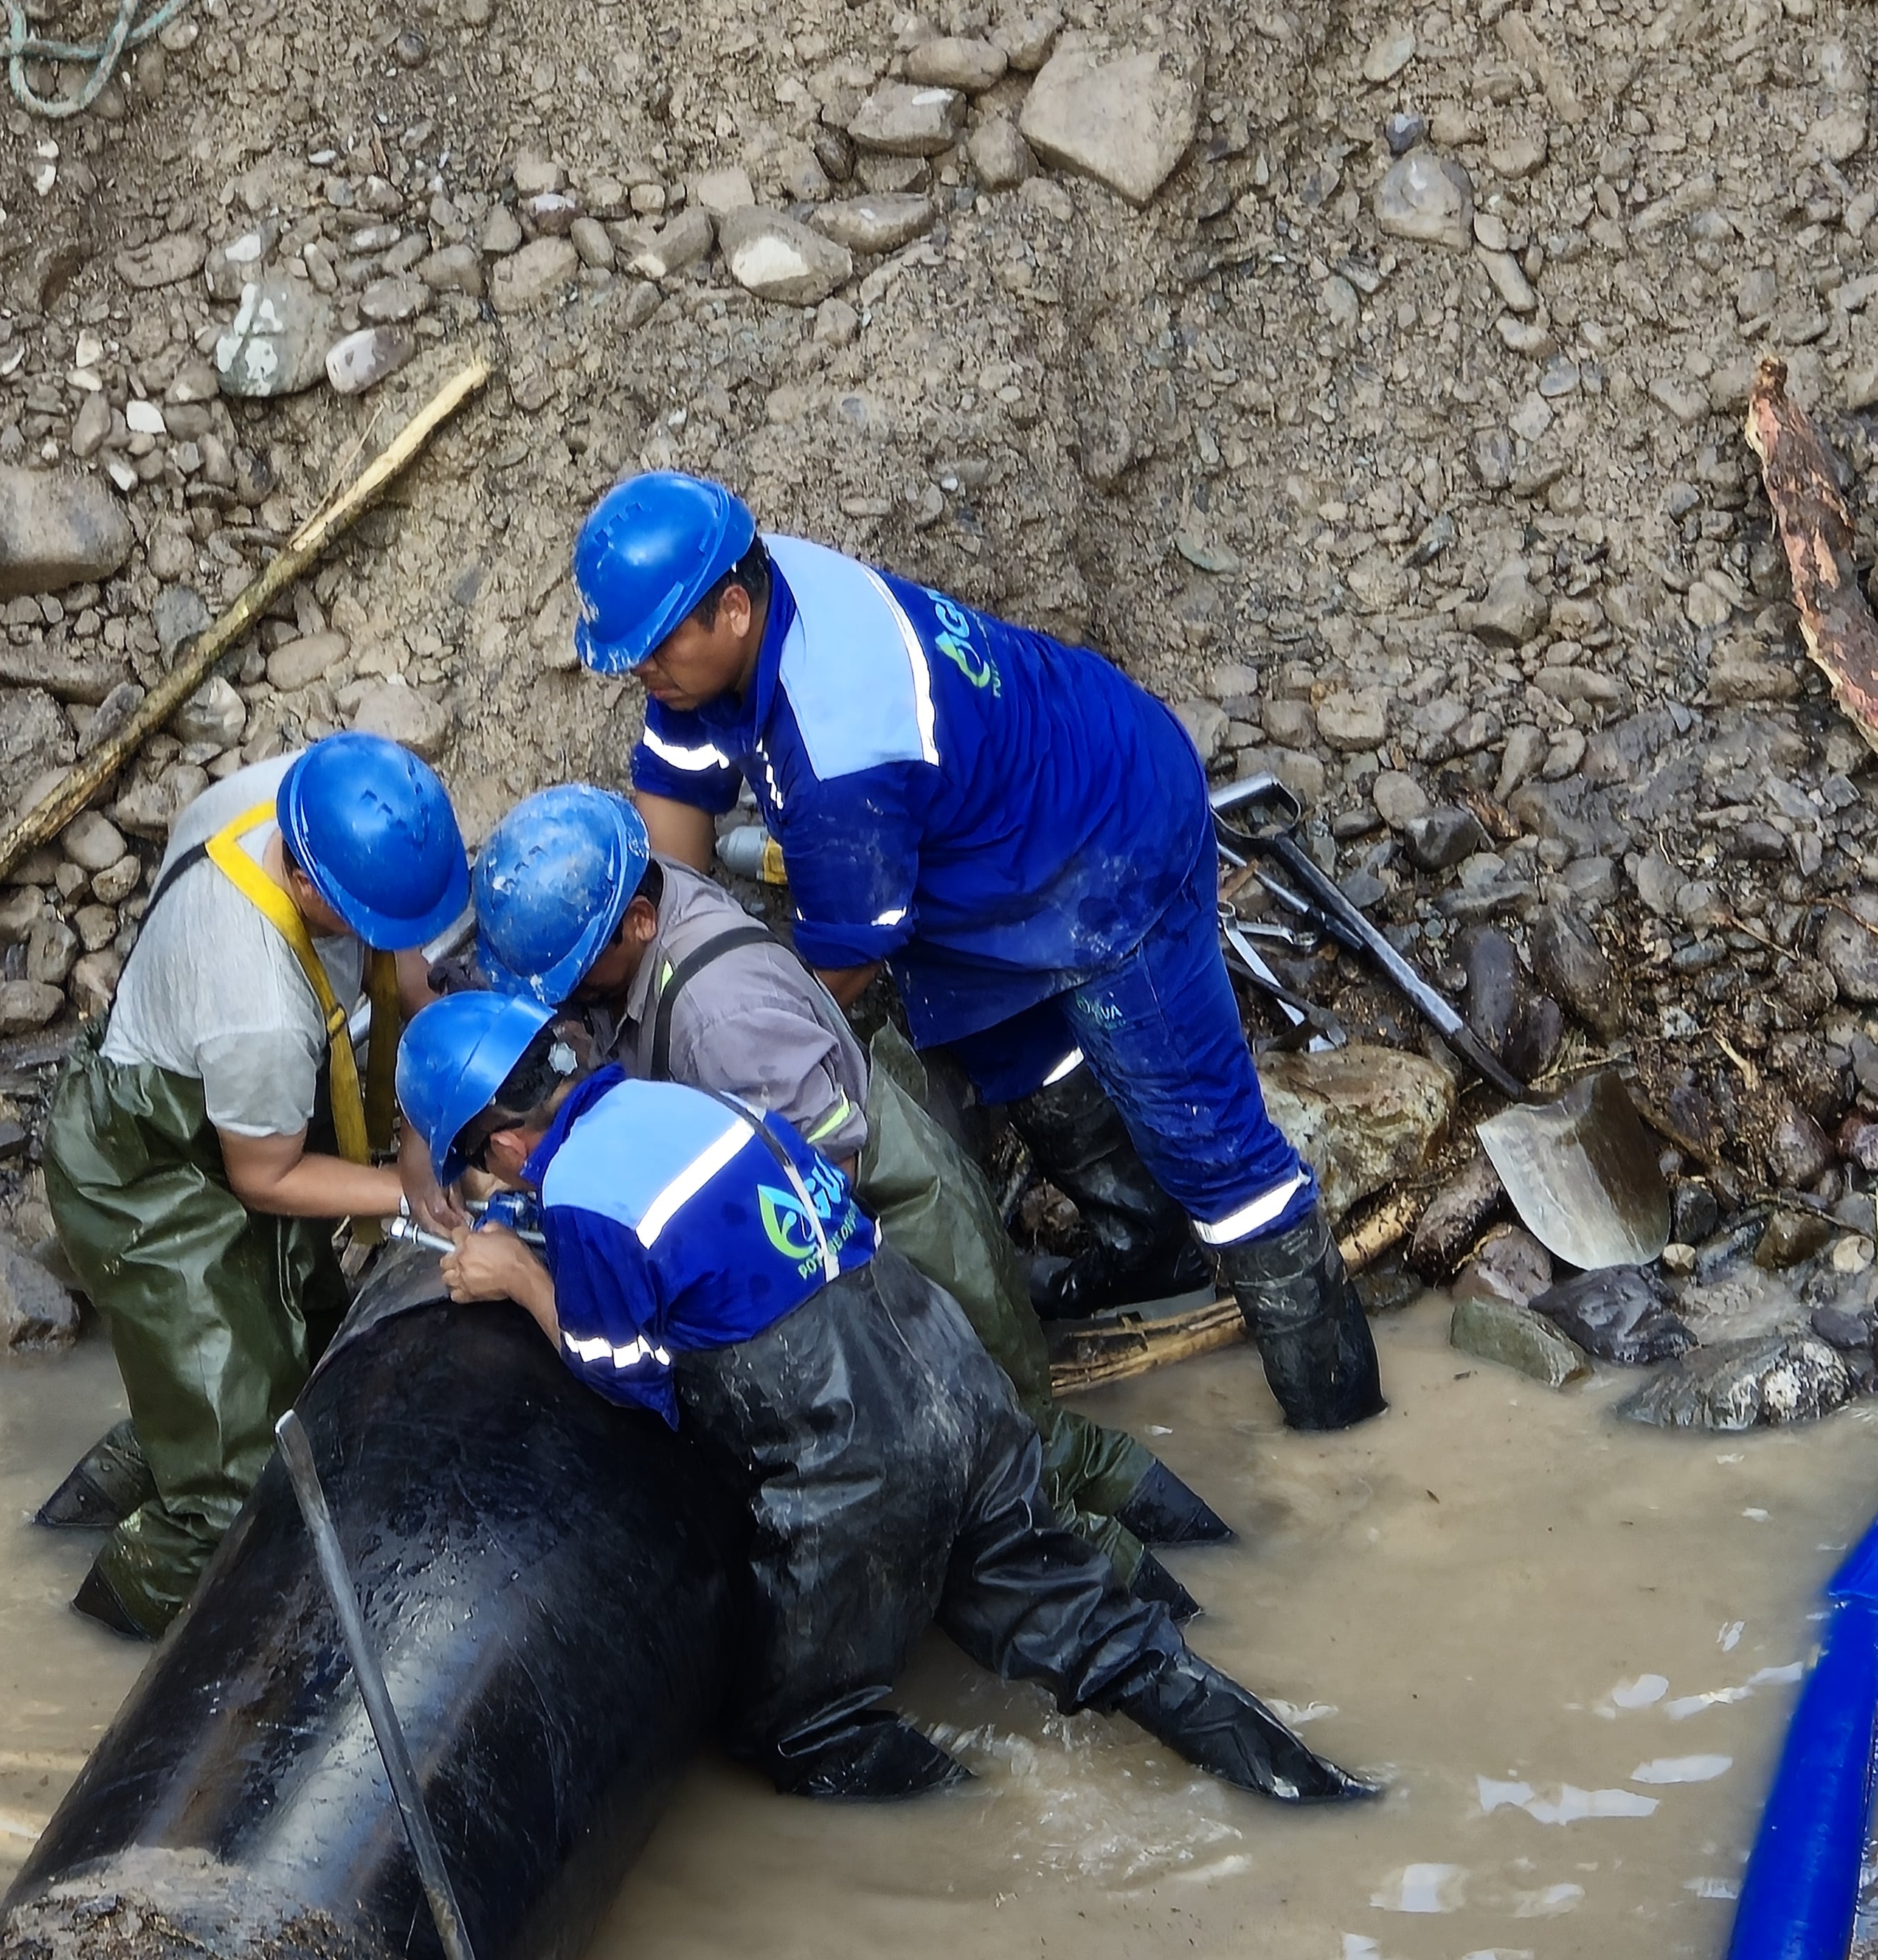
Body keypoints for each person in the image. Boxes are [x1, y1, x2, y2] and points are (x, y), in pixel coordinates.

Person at [395, 990, 1375, 1804]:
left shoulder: (578, 1197)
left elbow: (626, 1377)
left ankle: (982, 1836)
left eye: (475, 1164)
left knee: (794, 1729)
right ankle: (1321, 1792)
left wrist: (522, 1281)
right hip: (957, 1385)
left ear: (506, 1148)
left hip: (856, 1459)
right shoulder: (696, 1106)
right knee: (1093, 1636)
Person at [571, 470, 1382, 1434]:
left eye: (654, 654)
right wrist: (672, 969)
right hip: (992, 839)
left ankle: (1338, 1413)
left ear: (732, 612)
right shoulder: (732, 600)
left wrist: (716, 1037)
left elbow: (841, 970)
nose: (643, 677)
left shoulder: (836, 751)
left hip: (1110, 843)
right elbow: (677, 789)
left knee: (1210, 1144)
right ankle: (1150, 1255)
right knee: (1026, 1057)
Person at [465, 784, 1232, 1611]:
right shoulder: (649, 901)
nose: (570, 1001)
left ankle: (1186, 1623)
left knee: (1008, 1471)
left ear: (639, 926)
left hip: (898, 1234)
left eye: (578, 976)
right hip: (891, 1183)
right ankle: (1232, 1572)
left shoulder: (723, 1019)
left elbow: (809, 1188)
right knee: (1036, 1437)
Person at [41, 731, 467, 1639]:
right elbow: (265, 1177)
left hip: (221, 1099)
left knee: (287, 1357)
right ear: (311, 887)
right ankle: (94, 1643)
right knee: (231, 1494)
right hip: (145, 1168)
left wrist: (446, 1091)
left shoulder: (285, 796)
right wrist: (408, 1194)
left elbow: (414, 970)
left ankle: (137, 1467)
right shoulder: (261, 1011)